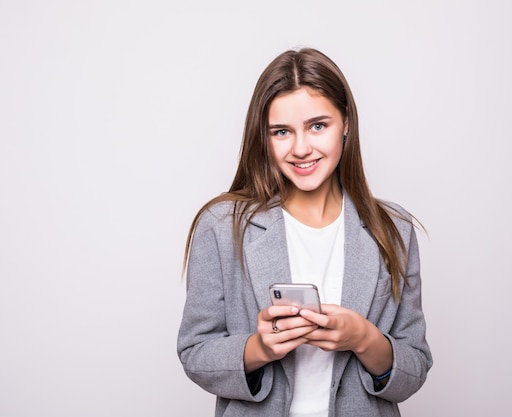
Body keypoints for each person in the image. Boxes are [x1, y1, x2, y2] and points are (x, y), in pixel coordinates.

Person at [177, 47, 432, 417]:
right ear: (263, 138)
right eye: (282, 131)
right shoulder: (221, 226)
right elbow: (195, 352)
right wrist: (260, 348)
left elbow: (415, 367)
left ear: (346, 123)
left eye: (318, 125)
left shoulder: (394, 229)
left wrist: (363, 338)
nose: (301, 148)